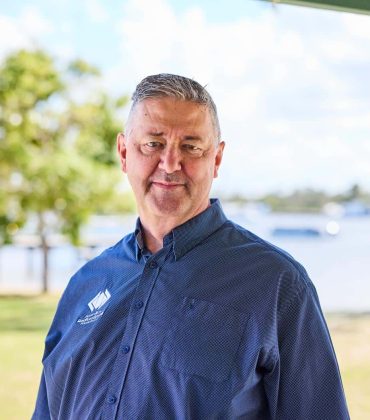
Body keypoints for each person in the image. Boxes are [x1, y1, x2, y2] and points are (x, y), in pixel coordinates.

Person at [33, 73, 350, 420]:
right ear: (124, 153)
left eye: (191, 146)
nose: (170, 164)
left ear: (216, 160)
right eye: (153, 144)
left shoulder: (278, 285)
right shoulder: (86, 284)